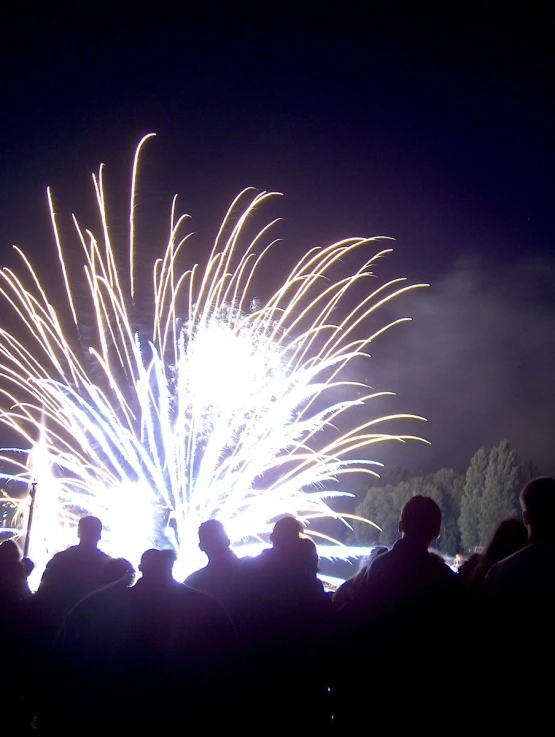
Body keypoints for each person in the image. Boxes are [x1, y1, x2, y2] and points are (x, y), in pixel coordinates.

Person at [333, 496, 467, 730]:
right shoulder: (444, 579)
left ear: (400, 525)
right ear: (436, 531)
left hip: (379, 686)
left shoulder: (378, 567)